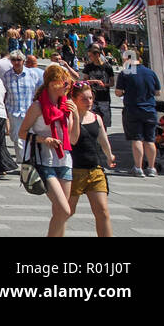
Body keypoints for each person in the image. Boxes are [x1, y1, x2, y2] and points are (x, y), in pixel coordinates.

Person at [17, 64, 79, 238]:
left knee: (60, 213)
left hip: (65, 160)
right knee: (65, 210)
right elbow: (22, 133)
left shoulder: (67, 107)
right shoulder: (37, 107)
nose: (68, 87)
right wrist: (44, 139)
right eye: (65, 84)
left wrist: (76, 116)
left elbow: (73, 139)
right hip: (45, 161)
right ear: (53, 84)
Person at [67, 82, 115, 237]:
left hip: (95, 170)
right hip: (75, 171)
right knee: (67, 211)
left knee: (102, 211)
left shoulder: (96, 118)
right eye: (84, 99)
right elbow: (72, 140)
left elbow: (103, 139)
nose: (89, 102)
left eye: (90, 98)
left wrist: (109, 155)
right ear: (73, 99)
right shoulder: (69, 118)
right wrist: (74, 116)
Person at [115, 55, 161, 177]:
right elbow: (158, 92)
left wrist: (126, 92)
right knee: (150, 140)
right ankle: (151, 168)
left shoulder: (125, 73)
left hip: (133, 109)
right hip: (150, 109)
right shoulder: (151, 72)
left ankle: (138, 167)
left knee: (137, 139)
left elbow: (118, 92)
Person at [2, 53, 45, 163]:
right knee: (17, 138)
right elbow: (4, 93)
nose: (16, 62)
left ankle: (29, 160)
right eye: (13, 60)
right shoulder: (6, 76)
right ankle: (23, 161)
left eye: (19, 60)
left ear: (23, 61)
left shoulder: (32, 74)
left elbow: (39, 91)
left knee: (30, 137)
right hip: (14, 110)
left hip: (29, 111)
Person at [82, 47, 116, 128]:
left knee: (104, 122)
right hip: (92, 97)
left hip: (104, 97)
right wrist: (93, 82)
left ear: (97, 55)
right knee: (92, 120)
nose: (89, 58)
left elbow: (112, 83)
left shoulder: (107, 67)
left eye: (91, 56)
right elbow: (84, 81)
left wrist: (105, 85)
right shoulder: (89, 67)